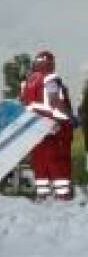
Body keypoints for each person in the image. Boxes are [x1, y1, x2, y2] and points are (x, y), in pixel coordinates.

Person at [19, 50, 76, 201]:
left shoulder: (27, 82)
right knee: (59, 161)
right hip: (54, 127)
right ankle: (63, 195)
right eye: (52, 61)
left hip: (35, 129)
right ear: (48, 62)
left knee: (40, 162)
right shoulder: (49, 78)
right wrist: (70, 117)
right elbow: (54, 100)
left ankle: (43, 194)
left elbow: (23, 104)